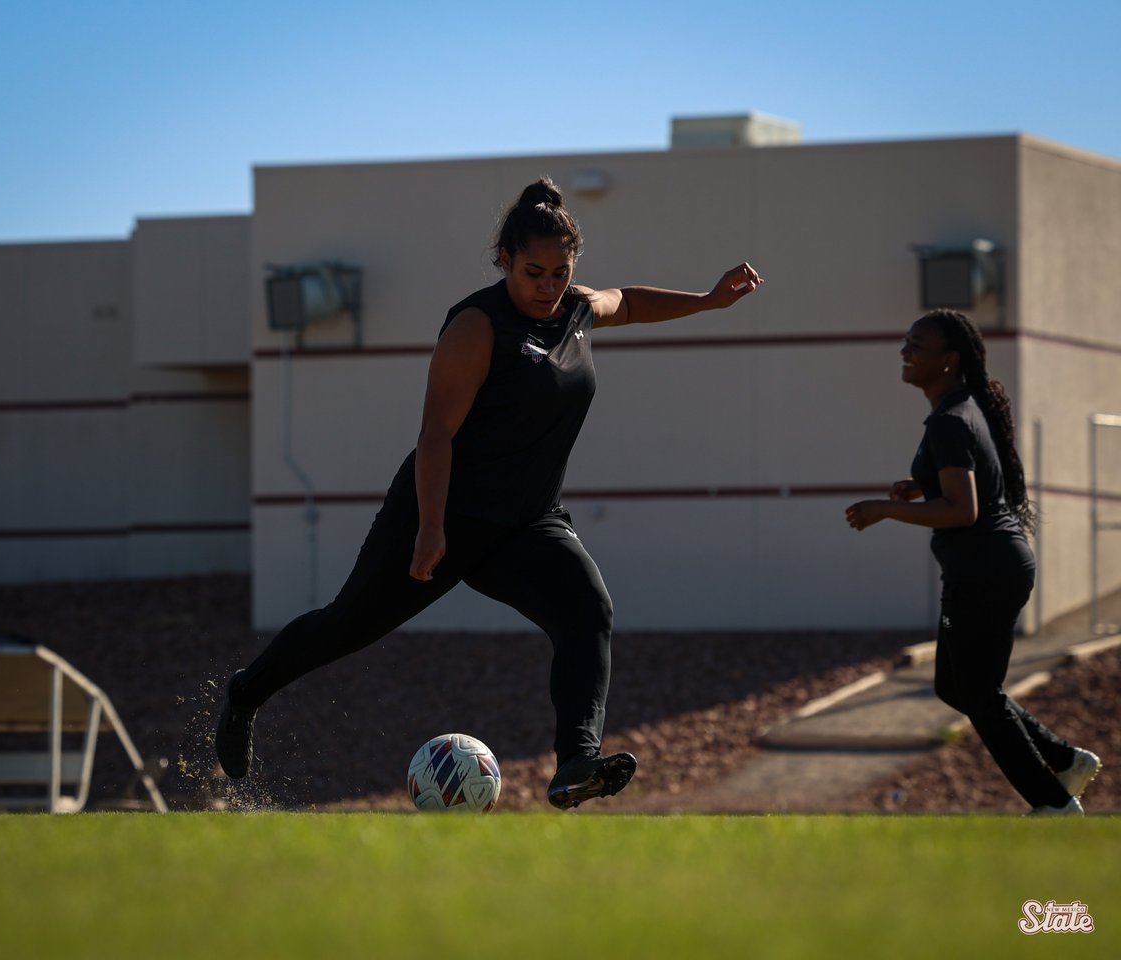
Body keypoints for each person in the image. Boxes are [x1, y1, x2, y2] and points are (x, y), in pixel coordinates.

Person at [216, 177, 763, 809]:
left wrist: (708, 300)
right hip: (442, 512)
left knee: (587, 610)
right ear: (504, 259)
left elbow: (629, 302)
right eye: (534, 271)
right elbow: (435, 435)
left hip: (527, 523)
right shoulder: (478, 326)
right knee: (346, 627)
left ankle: (575, 763)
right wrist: (428, 529)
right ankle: (246, 693)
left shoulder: (576, 310)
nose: (547, 286)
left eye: (561, 272)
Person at [845, 309, 1101, 815]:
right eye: (906, 341)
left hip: (985, 569)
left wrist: (887, 510)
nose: (905, 352)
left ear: (949, 359)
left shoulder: (949, 420)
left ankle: (1054, 804)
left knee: (979, 693)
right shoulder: (958, 410)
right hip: (987, 567)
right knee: (954, 685)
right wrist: (923, 486)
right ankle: (1064, 759)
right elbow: (969, 483)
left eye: (917, 345)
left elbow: (964, 510)